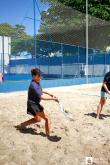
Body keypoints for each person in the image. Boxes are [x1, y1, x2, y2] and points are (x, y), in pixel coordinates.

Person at [15, 68, 58, 137]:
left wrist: (49, 94)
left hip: (32, 103)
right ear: (34, 76)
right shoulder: (34, 85)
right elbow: (42, 97)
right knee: (47, 118)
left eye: (41, 75)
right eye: (39, 75)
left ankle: (21, 125)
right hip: (33, 105)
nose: (41, 77)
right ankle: (48, 135)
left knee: (37, 119)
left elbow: (41, 90)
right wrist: (53, 99)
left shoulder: (36, 82)